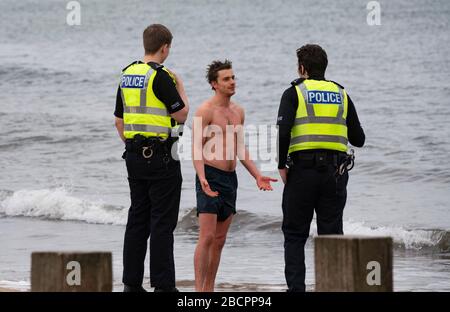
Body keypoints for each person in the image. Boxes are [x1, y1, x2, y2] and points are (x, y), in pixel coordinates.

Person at [277, 44, 365, 292]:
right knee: (332, 235)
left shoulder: (294, 93)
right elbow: (359, 139)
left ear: (302, 68)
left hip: (302, 173)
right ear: (324, 67)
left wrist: (281, 164)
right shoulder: (341, 94)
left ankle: (296, 290)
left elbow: (283, 131)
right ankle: (333, 287)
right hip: (335, 175)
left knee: (295, 234)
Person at [114, 24, 189, 292]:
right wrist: (180, 86)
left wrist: (135, 145)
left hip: (134, 156)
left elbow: (118, 121)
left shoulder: (127, 74)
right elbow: (181, 114)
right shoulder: (161, 76)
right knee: (162, 221)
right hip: (161, 157)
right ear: (165, 47)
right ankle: (163, 285)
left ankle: (131, 284)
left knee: (137, 219)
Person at [192, 60, 277, 292]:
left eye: (233, 77)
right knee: (207, 237)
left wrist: (257, 175)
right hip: (209, 176)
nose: (232, 82)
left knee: (219, 240)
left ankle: (209, 288)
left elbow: (240, 147)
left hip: (230, 179)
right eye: (226, 79)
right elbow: (196, 148)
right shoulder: (205, 111)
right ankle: (200, 292)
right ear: (214, 84)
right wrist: (201, 177)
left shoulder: (238, 111)